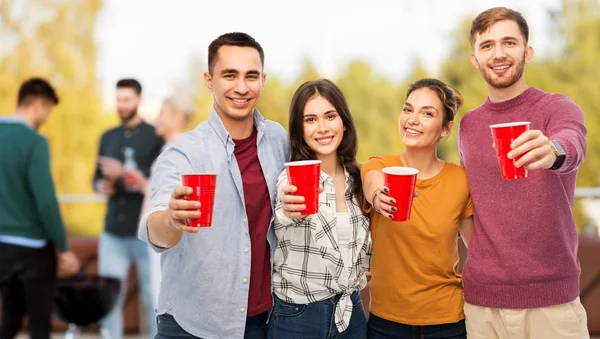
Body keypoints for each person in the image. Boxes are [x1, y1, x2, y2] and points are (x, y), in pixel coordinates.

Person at [138, 32, 288, 339]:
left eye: (251, 76)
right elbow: (155, 231)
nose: (242, 87)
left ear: (263, 79)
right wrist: (172, 217)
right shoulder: (184, 152)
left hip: (264, 320)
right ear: (209, 81)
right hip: (191, 324)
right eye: (229, 75)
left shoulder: (277, 139)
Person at [459, 7, 589, 339]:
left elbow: (572, 143)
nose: (498, 53)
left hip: (553, 304)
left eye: (509, 43)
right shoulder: (468, 125)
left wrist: (553, 151)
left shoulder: (557, 108)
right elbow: (468, 201)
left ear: (527, 52)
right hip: (482, 304)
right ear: (474, 58)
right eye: (487, 45)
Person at [361, 78, 472, 339]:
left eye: (427, 113)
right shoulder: (379, 165)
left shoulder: (460, 180)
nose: (412, 119)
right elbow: (371, 181)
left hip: (448, 323)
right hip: (386, 323)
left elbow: (477, 248)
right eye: (408, 109)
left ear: (445, 128)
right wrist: (379, 197)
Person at [269, 79, 370, 338]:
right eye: (310, 119)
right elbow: (285, 208)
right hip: (298, 317)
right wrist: (289, 209)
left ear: (344, 122)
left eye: (330, 116)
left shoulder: (359, 178)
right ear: (299, 128)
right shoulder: (291, 179)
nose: (323, 128)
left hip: (351, 311)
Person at [0, 78, 80, 339]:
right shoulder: (34, 141)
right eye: (47, 110)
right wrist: (63, 247)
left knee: (9, 321)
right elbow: (45, 200)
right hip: (32, 249)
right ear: (37, 105)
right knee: (38, 324)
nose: (46, 118)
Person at [93, 78, 164, 339]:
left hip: (145, 232)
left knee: (153, 296)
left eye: (126, 100)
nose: (121, 105)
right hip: (113, 230)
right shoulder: (107, 137)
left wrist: (124, 173)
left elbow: (160, 181)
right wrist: (102, 185)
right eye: (118, 99)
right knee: (109, 297)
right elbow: (95, 178)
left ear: (138, 100)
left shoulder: (155, 137)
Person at [132, 96, 197, 308]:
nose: (157, 118)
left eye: (163, 113)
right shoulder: (171, 147)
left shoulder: (178, 149)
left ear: (178, 117)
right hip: (160, 228)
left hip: (167, 233)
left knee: (160, 294)